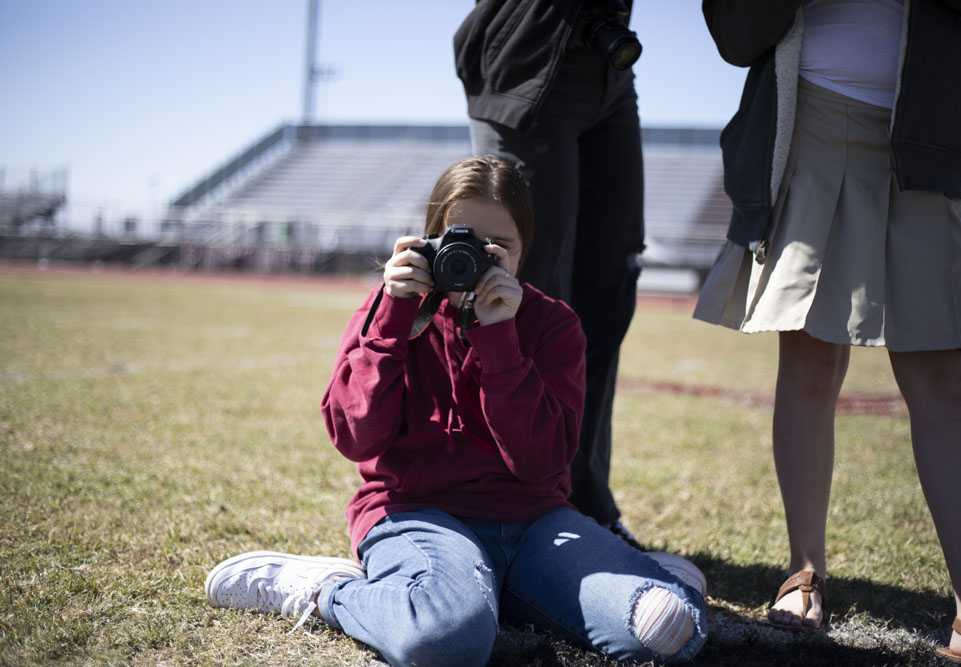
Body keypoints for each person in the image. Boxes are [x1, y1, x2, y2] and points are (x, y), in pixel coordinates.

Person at [205, 156, 708, 666]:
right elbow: (355, 437)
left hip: (534, 521)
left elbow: (541, 463)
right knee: (445, 641)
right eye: (457, 240)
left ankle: (495, 591)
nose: (474, 260)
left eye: (497, 249)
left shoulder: (553, 324)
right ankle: (325, 591)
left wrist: (500, 340)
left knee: (670, 629)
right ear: (428, 239)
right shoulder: (387, 309)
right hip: (417, 512)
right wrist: (392, 321)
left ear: (523, 252)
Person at [693, 0, 961, 662]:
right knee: (808, 360)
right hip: (807, 120)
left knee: (945, 373)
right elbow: (734, 32)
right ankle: (804, 571)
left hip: (924, 137)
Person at [453, 0, 645, 545]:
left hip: (608, 64)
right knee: (524, 292)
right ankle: (509, 501)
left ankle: (583, 495)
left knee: (609, 286)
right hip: (528, 54)